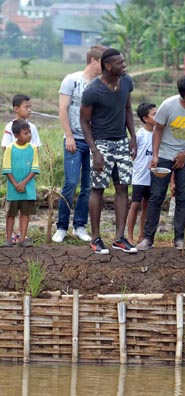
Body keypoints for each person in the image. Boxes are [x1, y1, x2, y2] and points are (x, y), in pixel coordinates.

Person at [136, 76, 185, 251]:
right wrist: (155, 156)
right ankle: (148, 238)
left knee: (183, 198)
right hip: (164, 155)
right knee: (156, 197)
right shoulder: (168, 106)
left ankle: (178, 238)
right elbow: (158, 130)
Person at [80, 48, 137, 255]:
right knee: (98, 189)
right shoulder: (92, 90)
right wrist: (94, 150)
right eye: (120, 63)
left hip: (122, 141)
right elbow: (84, 122)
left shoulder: (126, 81)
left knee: (122, 188)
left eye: (124, 62)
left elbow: (127, 109)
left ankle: (120, 238)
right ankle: (95, 239)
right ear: (108, 66)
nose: (124, 66)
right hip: (101, 143)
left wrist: (133, 137)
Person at [52, 45, 105, 244]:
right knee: (70, 183)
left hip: (93, 142)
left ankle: (80, 225)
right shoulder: (72, 80)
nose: (105, 67)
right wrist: (69, 136)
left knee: (88, 187)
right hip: (74, 140)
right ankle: (61, 226)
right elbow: (63, 109)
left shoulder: (101, 84)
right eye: (103, 63)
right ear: (93, 61)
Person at [2, 94, 41, 244]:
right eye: (27, 107)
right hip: (14, 179)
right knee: (11, 211)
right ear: (16, 108)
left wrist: (24, 181)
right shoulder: (9, 128)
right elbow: (5, 148)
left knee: (25, 211)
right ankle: (9, 237)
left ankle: (21, 236)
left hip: (27, 179)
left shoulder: (33, 129)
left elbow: (36, 151)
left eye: (30, 106)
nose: (30, 109)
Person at [126, 102, 156, 244]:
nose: (158, 116)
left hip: (153, 177)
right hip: (139, 177)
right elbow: (132, 154)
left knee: (147, 206)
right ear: (145, 118)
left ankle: (142, 235)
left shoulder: (158, 134)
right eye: (154, 114)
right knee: (135, 205)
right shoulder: (140, 135)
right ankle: (129, 236)